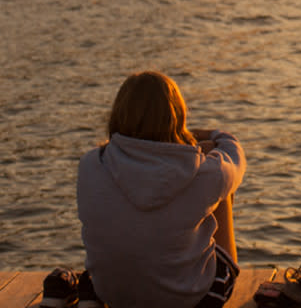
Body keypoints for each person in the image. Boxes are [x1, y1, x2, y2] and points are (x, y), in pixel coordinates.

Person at [70, 71, 247, 308]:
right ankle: (205, 264)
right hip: (195, 301)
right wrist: (206, 136)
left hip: (114, 296)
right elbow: (235, 153)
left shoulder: (91, 164)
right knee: (222, 179)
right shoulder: (205, 173)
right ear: (177, 115)